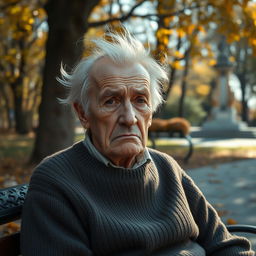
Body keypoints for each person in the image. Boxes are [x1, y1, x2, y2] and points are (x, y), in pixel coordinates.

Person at [21, 28, 254, 256]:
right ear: (83, 113)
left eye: (140, 100)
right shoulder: (56, 181)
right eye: (111, 101)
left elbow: (224, 243)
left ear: (151, 112)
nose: (130, 118)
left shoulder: (166, 167)